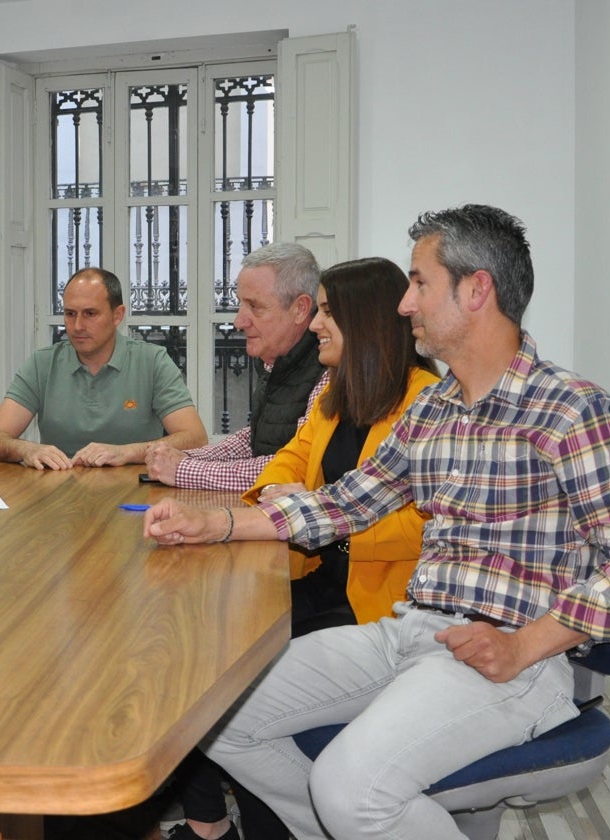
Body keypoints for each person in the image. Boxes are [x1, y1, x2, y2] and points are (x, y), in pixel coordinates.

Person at [144, 204, 610, 840]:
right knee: (213, 715)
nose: (405, 304)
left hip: (517, 657)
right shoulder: (434, 408)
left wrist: (525, 643)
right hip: (411, 631)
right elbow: (348, 502)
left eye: (419, 283)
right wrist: (219, 526)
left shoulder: (571, 411)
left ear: (476, 289)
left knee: (349, 787)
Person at [168, 256, 440, 840]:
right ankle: (299, 822)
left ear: (362, 322)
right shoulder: (336, 394)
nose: (316, 323)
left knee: (227, 680)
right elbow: (291, 459)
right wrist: (281, 493)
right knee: (205, 649)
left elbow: (426, 523)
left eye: (325, 312)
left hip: (383, 603)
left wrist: (327, 519)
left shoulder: (426, 400)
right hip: (319, 574)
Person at [0, 267, 207, 469]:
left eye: (90, 314)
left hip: (133, 493)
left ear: (118, 315)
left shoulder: (152, 361)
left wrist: (126, 452)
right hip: (58, 495)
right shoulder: (42, 364)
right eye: (70, 314)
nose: (77, 326)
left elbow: (195, 437)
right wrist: (26, 450)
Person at [145, 243, 328, 491]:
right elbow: (255, 439)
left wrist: (184, 470)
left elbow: (294, 467)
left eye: (255, 307)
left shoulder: (328, 370)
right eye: (240, 304)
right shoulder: (276, 361)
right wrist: (188, 457)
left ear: (300, 309)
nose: (238, 321)